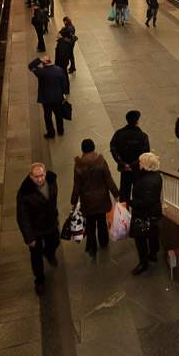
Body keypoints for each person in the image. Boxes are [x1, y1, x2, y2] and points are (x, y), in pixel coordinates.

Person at [69, 139, 119, 259]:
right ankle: (103, 241)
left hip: (87, 200)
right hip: (101, 198)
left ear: (82, 149)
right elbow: (108, 179)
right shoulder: (100, 161)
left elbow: (76, 186)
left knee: (90, 224)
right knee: (102, 221)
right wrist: (116, 193)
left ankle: (92, 247)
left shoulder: (78, 165)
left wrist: (73, 202)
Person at [17, 162, 60, 295]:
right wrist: (29, 238)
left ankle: (49, 252)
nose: (40, 179)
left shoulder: (52, 182)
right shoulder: (25, 193)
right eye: (36, 177)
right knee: (36, 256)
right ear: (31, 176)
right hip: (35, 229)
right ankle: (39, 279)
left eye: (41, 176)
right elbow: (22, 217)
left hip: (50, 223)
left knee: (55, 242)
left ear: (45, 173)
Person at [129, 152, 164, 275]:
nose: (139, 163)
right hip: (154, 212)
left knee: (141, 239)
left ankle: (143, 262)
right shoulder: (156, 176)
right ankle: (153, 254)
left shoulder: (148, 182)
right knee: (153, 233)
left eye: (141, 162)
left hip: (144, 214)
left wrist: (132, 203)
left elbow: (146, 202)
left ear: (146, 165)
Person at [109, 110, 149, 204]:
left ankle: (123, 214)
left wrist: (123, 164)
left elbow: (113, 148)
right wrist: (132, 165)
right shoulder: (143, 136)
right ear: (137, 121)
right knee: (137, 192)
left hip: (125, 170)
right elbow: (145, 154)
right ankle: (136, 214)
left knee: (124, 192)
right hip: (137, 169)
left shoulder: (119, 133)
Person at [28, 56, 69, 138]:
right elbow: (64, 84)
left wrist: (39, 60)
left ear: (43, 63)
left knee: (48, 116)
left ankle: (51, 133)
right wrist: (64, 93)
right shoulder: (59, 70)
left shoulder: (41, 72)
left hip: (46, 99)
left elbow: (31, 66)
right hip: (58, 97)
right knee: (58, 114)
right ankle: (60, 130)